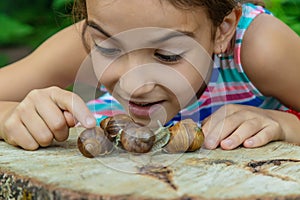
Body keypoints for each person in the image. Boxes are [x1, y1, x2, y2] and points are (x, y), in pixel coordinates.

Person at [0, 0, 299, 152]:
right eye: (109, 49)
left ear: (222, 30)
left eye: (167, 55)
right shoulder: (94, 34)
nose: (135, 83)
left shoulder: (258, 48)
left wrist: (287, 126)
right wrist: (11, 114)